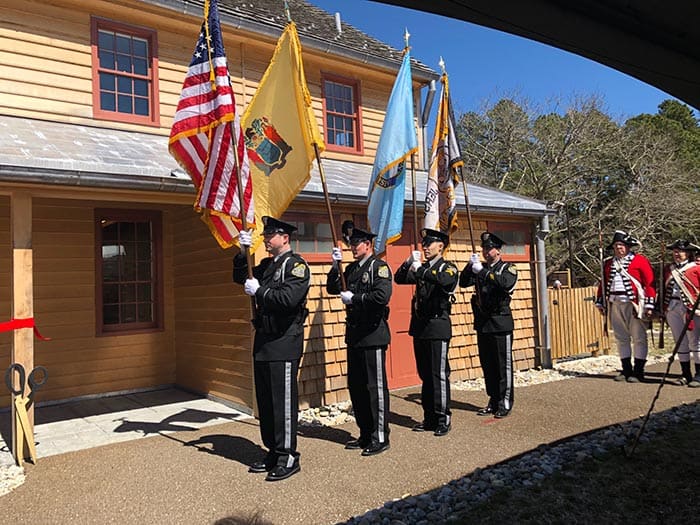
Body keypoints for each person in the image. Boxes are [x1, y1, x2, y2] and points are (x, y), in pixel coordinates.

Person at [232, 216, 310, 482]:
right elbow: (239, 276)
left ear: (284, 238)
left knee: (282, 402)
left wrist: (261, 292)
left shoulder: (297, 265)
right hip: (264, 339)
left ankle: (288, 455)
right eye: (265, 235)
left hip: (284, 340)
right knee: (266, 402)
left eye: (270, 235)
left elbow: (288, 299)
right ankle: (273, 451)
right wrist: (242, 253)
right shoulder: (266, 265)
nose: (266, 238)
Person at [326, 224, 392, 456]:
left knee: (375, 387)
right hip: (354, 334)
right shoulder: (352, 268)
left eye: (356, 244)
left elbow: (381, 296)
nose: (352, 247)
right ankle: (365, 433)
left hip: (372, 333)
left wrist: (356, 298)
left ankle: (380, 435)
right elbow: (333, 288)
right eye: (351, 244)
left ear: (369, 245)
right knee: (357, 387)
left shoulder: (379, 267)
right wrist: (335, 267)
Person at [394, 228, 458, 436]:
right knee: (425, 375)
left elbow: (444, 281)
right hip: (420, 327)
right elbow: (400, 278)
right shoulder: (422, 267)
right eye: (424, 244)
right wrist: (407, 262)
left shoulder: (447, 267)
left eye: (429, 244)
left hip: (437, 326)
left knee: (438, 374)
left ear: (440, 246)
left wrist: (419, 269)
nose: (425, 247)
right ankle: (429, 417)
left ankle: (442, 417)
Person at [459, 232, 518, 418]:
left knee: (503, 366)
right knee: (489, 365)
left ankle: (505, 402)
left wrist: (481, 271)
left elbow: (505, 284)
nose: (486, 251)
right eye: (484, 248)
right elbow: (463, 283)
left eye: (489, 248)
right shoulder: (479, 268)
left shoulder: (508, 268)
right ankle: (493, 401)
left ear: (498, 250)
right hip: (483, 323)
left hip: (500, 322)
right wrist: (470, 267)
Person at [596, 230, 656, 382]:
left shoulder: (640, 261)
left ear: (628, 246)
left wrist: (649, 305)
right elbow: (603, 283)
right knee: (621, 338)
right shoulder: (609, 263)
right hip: (615, 302)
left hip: (634, 303)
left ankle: (638, 370)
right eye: (617, 245)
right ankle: (626, 369)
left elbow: (649, 283)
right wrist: (600, 301)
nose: (619, 248)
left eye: (622, 245)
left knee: (638, 338)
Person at [662, 240, 700, 387]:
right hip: (672, 307)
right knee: (680, 342)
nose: (677, 254)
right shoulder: (668, 269)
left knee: (695, 341)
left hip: (690, 308)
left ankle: (699, 374)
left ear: (688, 253)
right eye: (675, 251)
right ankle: (686, 374)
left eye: (681, 251)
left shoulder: (696, 268)